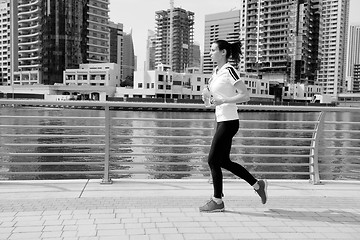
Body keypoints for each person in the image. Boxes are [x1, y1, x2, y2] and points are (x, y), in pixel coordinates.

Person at [199, 40, 268, 212]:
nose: (210, 53)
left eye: (213, 50)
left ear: (223, 52)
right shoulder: (215, 73)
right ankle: (257, 184)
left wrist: (224, 100)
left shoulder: (229, 70)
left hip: (229, 122)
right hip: (220, 120)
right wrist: (206, 96)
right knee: (223, 161)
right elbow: (211, 103)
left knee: (212, 160)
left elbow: (245, 95)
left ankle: (217, 201)